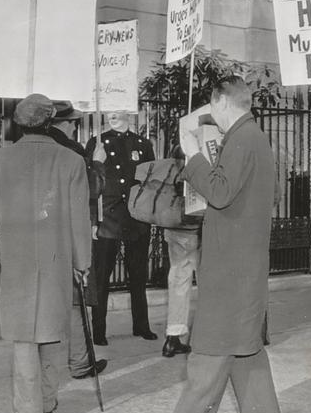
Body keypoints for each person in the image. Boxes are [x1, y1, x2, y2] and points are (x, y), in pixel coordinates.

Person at [138, 76, 285, 413]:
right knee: (244, 346)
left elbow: (219, 192)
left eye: (210, 108)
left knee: (209, 349)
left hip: (231, 263)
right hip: (243, 259)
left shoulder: (241, 138)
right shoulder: (253, 136)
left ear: (220, 101)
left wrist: (193, 155)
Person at [0, 94, 92, 413]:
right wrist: (81, 261)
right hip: (58, 258)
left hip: (18, 258)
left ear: (18, 123)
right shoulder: (72, 161)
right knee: (51, 329)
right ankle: (47, 399)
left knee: (25, 335)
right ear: (49, 122)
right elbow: (79, 220)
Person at [48, 100, 108, 379]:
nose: (75, 126)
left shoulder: (36, 147)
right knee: (77, 299)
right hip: (71, 232)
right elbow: (92, 188)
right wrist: (97, 162)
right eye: (73, 122)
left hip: (44, 233)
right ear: (64, 123)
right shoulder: (72, 152)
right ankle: (81, 362)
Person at [85, 111, 157, 345]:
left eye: (118, 110)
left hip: (136, 217)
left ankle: (141, 325)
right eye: (110, 111)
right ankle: (99, 330)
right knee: (102, 276)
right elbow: (91, 186)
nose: (113, 115)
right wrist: (93, 222)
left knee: (137, 275)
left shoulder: (143, 144)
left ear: (128, 112)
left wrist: (149, 215)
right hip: (108, 217)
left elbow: (149, 181)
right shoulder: (97, 143)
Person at [161, 146, 202, 358]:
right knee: (206, 283)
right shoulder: (206, 147)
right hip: (197, 228)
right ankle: (206, 337)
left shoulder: (178, 148)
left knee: (178, 280)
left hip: (175, 226)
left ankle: (172, 337)